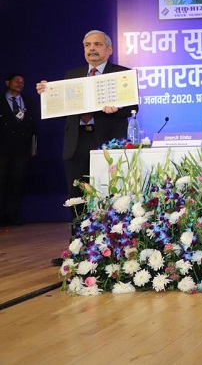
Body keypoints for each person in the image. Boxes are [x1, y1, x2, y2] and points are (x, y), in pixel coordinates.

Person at [36, 30, 132, 256]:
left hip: (108, 144)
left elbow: (133, 107)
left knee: (109, 197)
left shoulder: (121, 74)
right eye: (87, 45)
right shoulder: (73, 75)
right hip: (76, 142)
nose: (92, 49)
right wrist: (47, 94)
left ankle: (112, 249)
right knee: (76, 198)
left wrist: (118, 107)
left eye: (97, 44)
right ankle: (77, 251)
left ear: (109, 49)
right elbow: (61, 106)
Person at [0, 73, 36, 226]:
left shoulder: (28, 101)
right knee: (2, 182)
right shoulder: (1, 101)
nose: (20, 84)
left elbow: (33, 126)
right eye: (16, 81)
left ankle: (12, 215)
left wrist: (33, 147)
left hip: (22, 149)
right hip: (2, 148)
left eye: (22, 82)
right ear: (7, 82)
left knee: (17, 183)